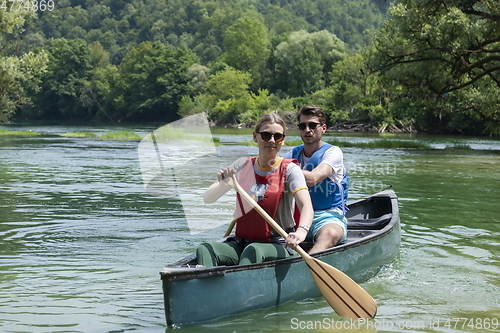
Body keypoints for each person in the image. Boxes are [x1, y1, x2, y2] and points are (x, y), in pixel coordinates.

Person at [196, 113, 314, 267]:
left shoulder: (290, 170)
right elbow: (208, 198)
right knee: (206, 249)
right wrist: (224, 183)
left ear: (282, 140)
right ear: (255, 137)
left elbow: (307, 207)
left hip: (277, 244)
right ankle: (207, 283)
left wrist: (301, 232)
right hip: (241, 243)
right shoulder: (242, 165)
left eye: (277, 136)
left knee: (253, 251)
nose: (271, 140)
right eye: (266, 135)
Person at [284, 105, 349, 253]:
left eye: (312, 125)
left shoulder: (333, 152)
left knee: (330, 234)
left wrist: (286, 170)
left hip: (326, 215)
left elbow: (314, 178)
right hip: (295, 217)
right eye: (303, 126)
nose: (307, 130)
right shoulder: (291, 154)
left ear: (323, 128)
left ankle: (307, 268)